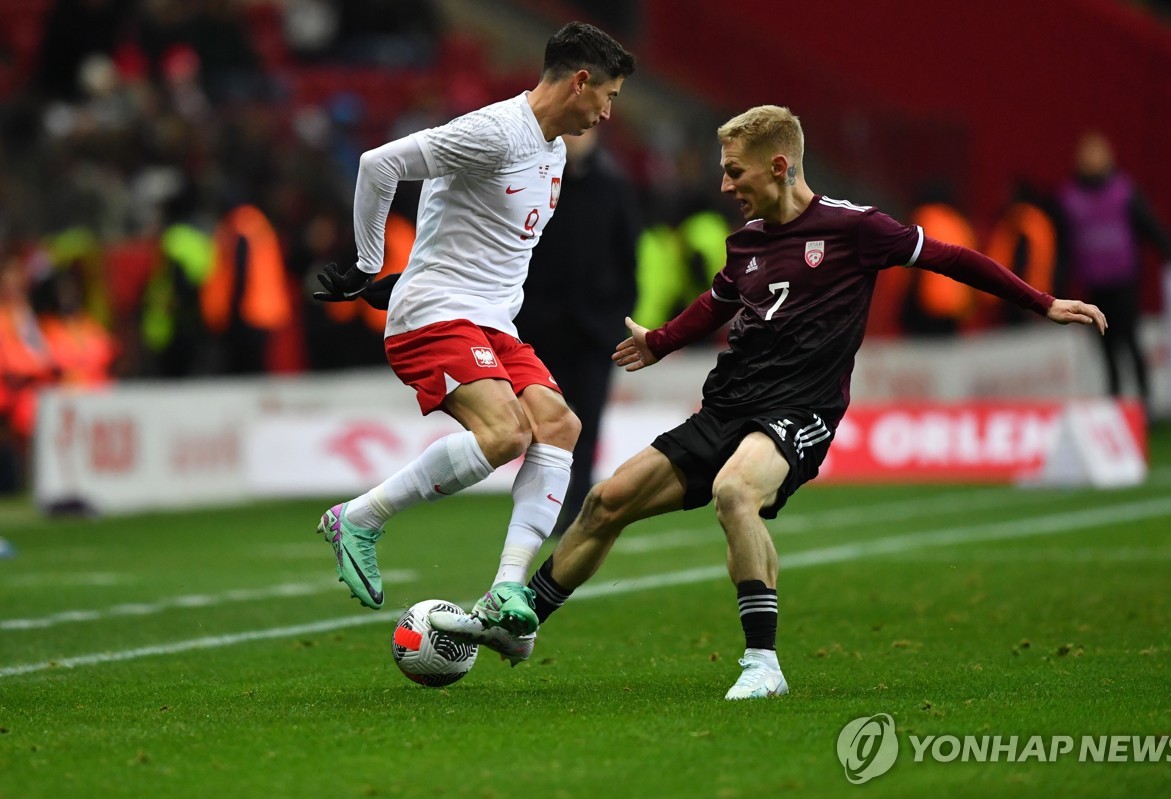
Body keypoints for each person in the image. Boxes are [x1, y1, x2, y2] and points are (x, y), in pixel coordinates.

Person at [431, 105, 1107, 699]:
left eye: (736, 172)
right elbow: (717, 301)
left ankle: (763, 661)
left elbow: (954, 259)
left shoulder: (854, 229)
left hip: (799, 411)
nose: (726, 185)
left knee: (734, 492)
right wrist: (660, 342)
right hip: (728, 405)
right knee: (606, 501)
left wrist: (1043, 302)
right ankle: (522, 629)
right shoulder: (749, 242)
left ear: (779, 165)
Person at [312, 22, 636, 638]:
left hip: (490, 318)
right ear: (581, 81)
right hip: (437, 314)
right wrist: (366, 263)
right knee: (506, 433)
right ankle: (360, 517)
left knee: (560, 427)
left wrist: (403, 275)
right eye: (610, 96)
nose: (608, 112)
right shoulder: (494, 131)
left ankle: (506, 588)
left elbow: (483, 236)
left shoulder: (556, 149)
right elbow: (378, 166)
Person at [515, 126, 640, 536]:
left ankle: (576, 510)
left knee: (585, 425)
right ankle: (541, 509)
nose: (575, 138)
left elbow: (629, 259)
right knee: (544, 428)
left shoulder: (614, 188)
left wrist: (614, 319)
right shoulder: (535, 184)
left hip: (592, 332)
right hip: (543, 330)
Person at [1058, 131, 1171, 406]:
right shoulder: (1069, 199)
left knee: (1129, 342)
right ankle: (1115, 406)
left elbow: (1151, 226)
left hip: (1124, 283)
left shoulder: (1123, 191)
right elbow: (1064, 248)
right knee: (1105, 349)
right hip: (1093, 286)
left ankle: (1144, 405)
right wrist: (1058, 287)